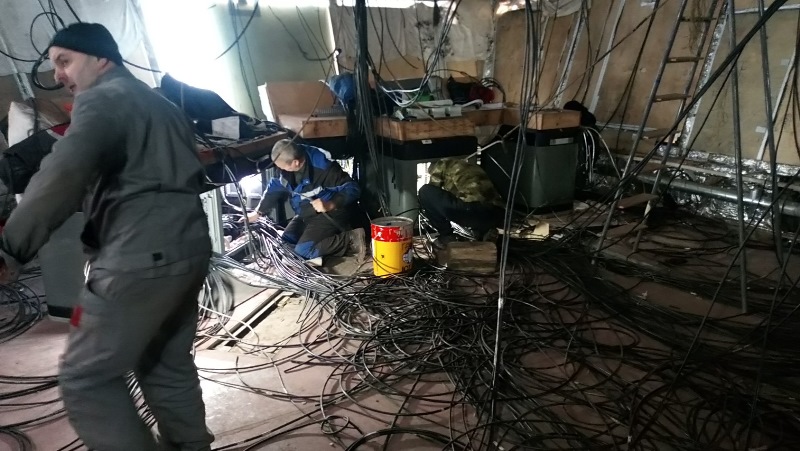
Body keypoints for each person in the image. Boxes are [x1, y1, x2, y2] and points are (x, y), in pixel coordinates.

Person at [0, 23, 214, 450]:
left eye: (65, 61)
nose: (59, 74)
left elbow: (62, 174)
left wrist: (10, 248)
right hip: (188, 251)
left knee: (86, 378)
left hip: (137, 257)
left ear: (101, 58)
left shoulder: (103, 99)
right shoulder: (158, 101)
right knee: (166, 367)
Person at [246, 139, 366, 261]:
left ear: (295, 163)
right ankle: (319, 244)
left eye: (282, 167)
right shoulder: (286, 163)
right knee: (285, 242)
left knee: (303, 251)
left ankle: (351, 239)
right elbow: (275, 187)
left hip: (330, 212)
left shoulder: (323, 167)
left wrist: (330, 204)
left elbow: (353, 188)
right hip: (307, 212)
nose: (279, 169)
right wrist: (258, 212)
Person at [418, 157, 505, 248]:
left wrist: (423, 205)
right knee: (471, 202)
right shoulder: (468, 165)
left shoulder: (441, 164)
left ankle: (447, 236)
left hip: (470, 210)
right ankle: (485, 231)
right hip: (496, 213)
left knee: (425, 191)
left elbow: (433, 190)